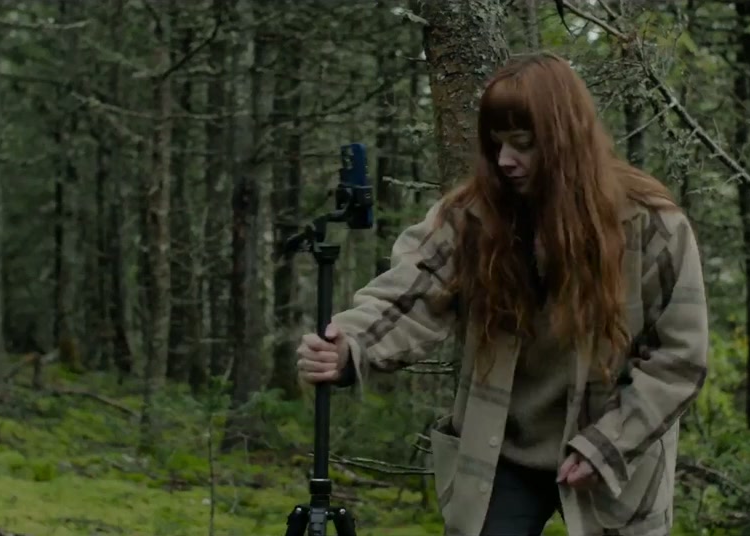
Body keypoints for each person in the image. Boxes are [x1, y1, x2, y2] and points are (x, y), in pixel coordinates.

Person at [296, 51, 708, 536]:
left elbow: (679, 357)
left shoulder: (651, 225)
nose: (505, 160)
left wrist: (609, 444)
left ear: (566, 141)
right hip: (501, 455)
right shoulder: (473, 217)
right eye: (496, 143)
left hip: (614, 450)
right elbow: (410, 294)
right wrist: (350, 344)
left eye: (523, 144)